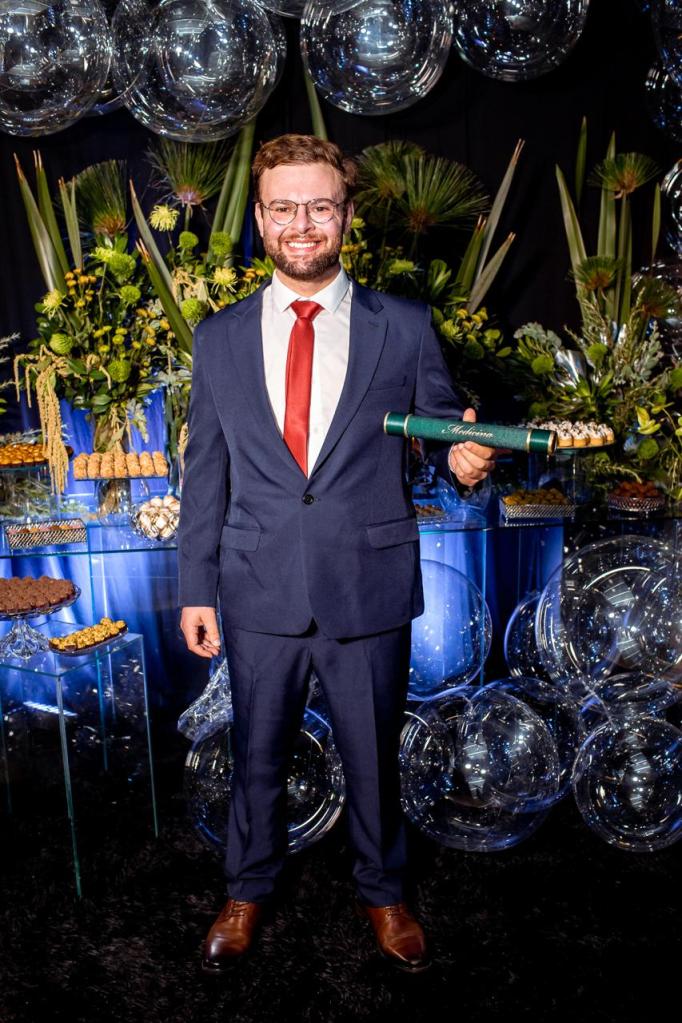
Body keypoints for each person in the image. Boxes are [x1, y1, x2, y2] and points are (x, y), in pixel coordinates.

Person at [177, 134, 496, 975]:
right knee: (256, 754)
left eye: (319, 206)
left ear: (347, 215)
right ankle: (246, 889)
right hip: (257, 582)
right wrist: (195, 588)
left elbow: (442, 433)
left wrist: (466, 459)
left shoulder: (406, 326)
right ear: (259, 219)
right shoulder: (219, 337)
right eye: (283, 207)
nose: (302, 223)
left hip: (368, 580)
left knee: (373, 754)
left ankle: (384, 892)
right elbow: (204, 474)